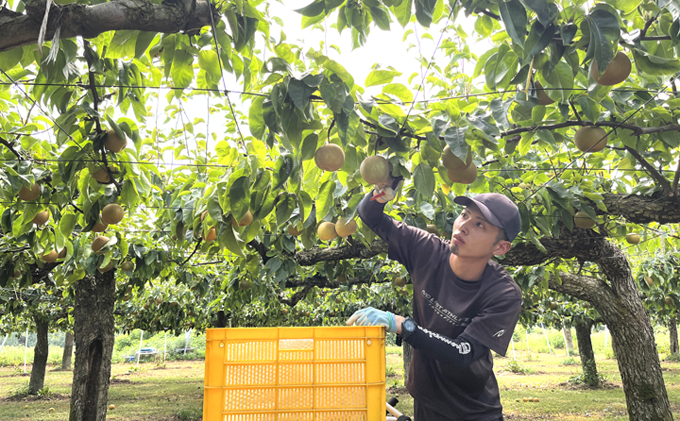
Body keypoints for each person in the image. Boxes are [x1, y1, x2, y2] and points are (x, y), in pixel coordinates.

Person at [346, 176, 522, 421]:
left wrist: (403, 325)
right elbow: (370, 215)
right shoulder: (426, 250)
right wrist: (379, 195)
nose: (463, 226)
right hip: (426, 401)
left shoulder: (503, 293)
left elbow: (464, 352)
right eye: (464, 215)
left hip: (473, 411)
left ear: (500, 247)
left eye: (480, 225)